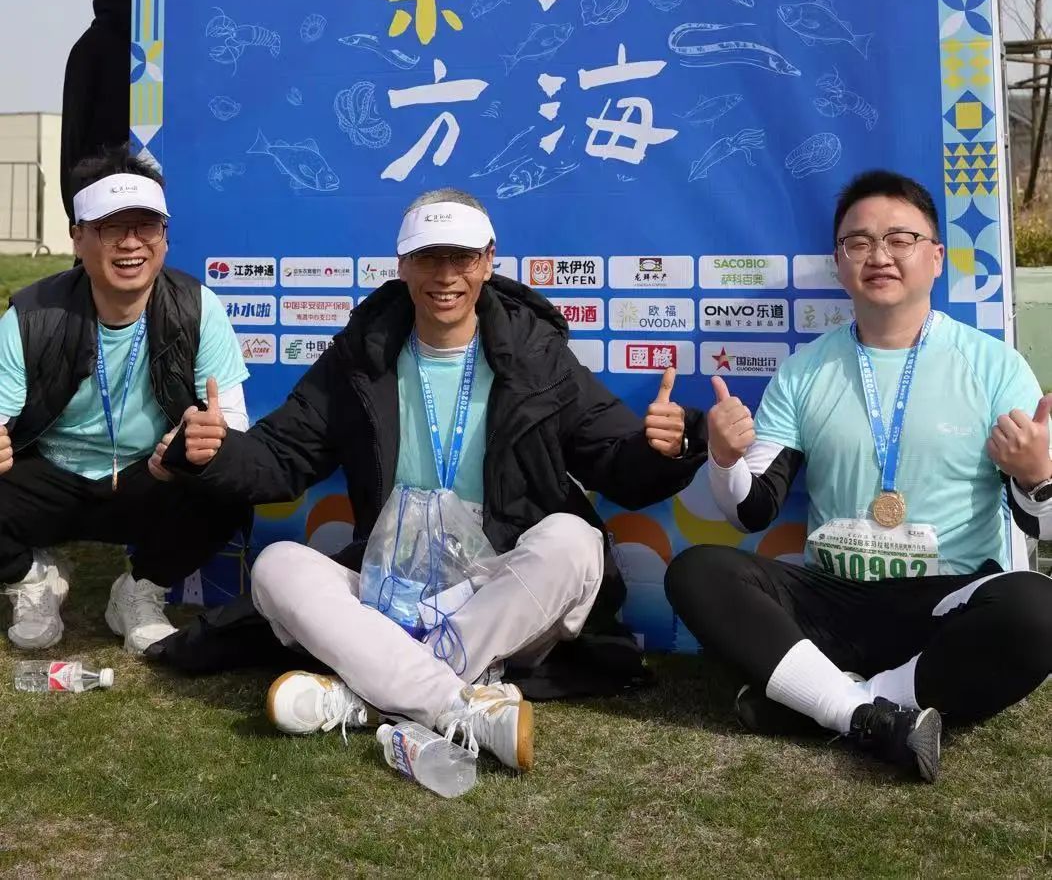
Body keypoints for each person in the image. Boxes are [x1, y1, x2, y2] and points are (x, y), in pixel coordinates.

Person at [162, 187, 706, 772]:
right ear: (402, 264)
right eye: (428, 257)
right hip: (390, 588)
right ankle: (453, 702)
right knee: (278, 568)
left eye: (462, 257)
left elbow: (616, 462)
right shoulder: (359, 357)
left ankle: (367, 696)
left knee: (575, 542)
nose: (446, 276)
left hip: (500, 591)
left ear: (488, 261)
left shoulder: (537, 356)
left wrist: (664, 450)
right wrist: (217, 453)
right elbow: (282, 455)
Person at [665, 168, 1052, 783]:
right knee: (697, 571)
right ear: (839, 263)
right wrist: (726, 460)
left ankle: (830, 704)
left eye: (900, 239)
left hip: (943, 604)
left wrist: (1037, 476)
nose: (880, 256)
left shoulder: (994, 367)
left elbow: (1041, 524)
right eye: (859, 242)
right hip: (831, 603)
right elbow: (750, 511)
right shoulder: (805, 371)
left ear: (935, 258)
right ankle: (865, 714)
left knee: (1038, 608)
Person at [0, 147, 251, 654]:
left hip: (149, 476)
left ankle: (140, 590)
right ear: (77, 237)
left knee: (230, 479)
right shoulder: (29, 315)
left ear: (165, 236)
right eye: (112, 228)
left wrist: (201, 443)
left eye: (147, 226)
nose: (132, 243)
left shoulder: (198, 308)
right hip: (50, 476)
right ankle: (31, 577)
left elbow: (233, 420)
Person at [60, 0, 134, 221]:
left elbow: (74, 141)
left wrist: (77, 218)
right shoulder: (183, 45)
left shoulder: (89, 47)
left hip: (103, 211)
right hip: (169, 207)